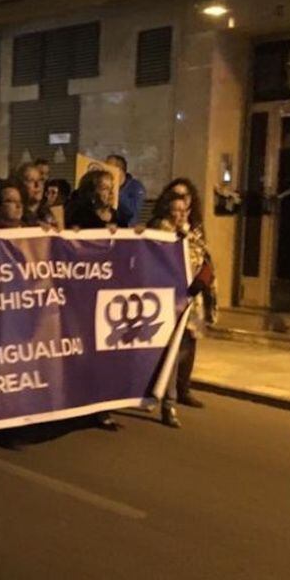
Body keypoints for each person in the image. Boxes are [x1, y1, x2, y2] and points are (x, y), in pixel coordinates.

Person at [158, 178, 215, 409]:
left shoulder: (195, 229)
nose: (181, 206)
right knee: (171, 344)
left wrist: (202, 279)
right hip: (170, 295)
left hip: (193, 293)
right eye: (176, 197)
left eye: (185, 197)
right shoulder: (161, 228)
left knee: (190, 340)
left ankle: (183, 388)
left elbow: (205, 257)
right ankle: (164, 390)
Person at [148, 190, 201, 428]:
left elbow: (200, 258)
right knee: (168, 352)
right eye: (176, 211)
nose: (180, 215)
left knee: (181, 351)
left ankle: (162, 393)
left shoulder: (192, 234)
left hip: (187, 301)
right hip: (165, 300)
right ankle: (168, 403)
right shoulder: (161, 232)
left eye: (183, 211)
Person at [12, 162, 57, 227]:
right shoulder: (14, 216)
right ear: (19, 186)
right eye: (31, 180)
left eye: (40, 180)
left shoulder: (50, 214)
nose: (37, 185)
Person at [107, 154, 147, 227]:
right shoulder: (105, 185)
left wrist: (117, 190)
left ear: (119, 170)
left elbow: (132, 211)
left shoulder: (136, 187)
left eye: (108, 167)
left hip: (127, 228)